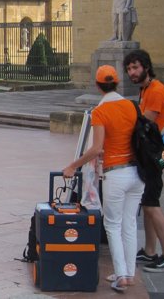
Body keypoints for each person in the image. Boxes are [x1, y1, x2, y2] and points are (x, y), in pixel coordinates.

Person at [62, 66, 142, 292]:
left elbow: (97, 148)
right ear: (117, 83)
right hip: (137, 173)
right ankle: (129, 272)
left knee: (112, 225)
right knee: (129, 224)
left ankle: (121, 276)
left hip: (116, 173)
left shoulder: (101, 112)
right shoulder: (131, 106)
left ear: (97, 86)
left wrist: (73, 165)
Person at [124, 49, 164, 273]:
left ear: (146, 66)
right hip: (152, 154)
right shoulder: (145, 89)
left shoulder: (155, 90)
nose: (131, 72)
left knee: (152, 203)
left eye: (135, 67)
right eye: (129, 69)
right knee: (147, 203)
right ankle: (149, 250)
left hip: (158, 155)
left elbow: (145, 123)